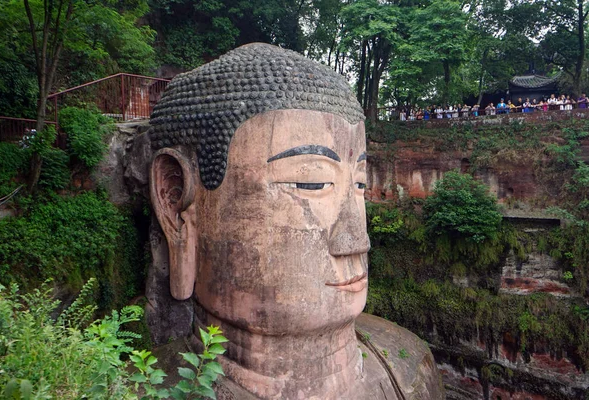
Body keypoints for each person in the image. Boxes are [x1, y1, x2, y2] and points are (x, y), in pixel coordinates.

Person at [145, 43, 444, 400]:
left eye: (360, 184)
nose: (357, 241)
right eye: (311, 182)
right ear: (176, 204)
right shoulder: (139, 390)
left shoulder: (410, 367)